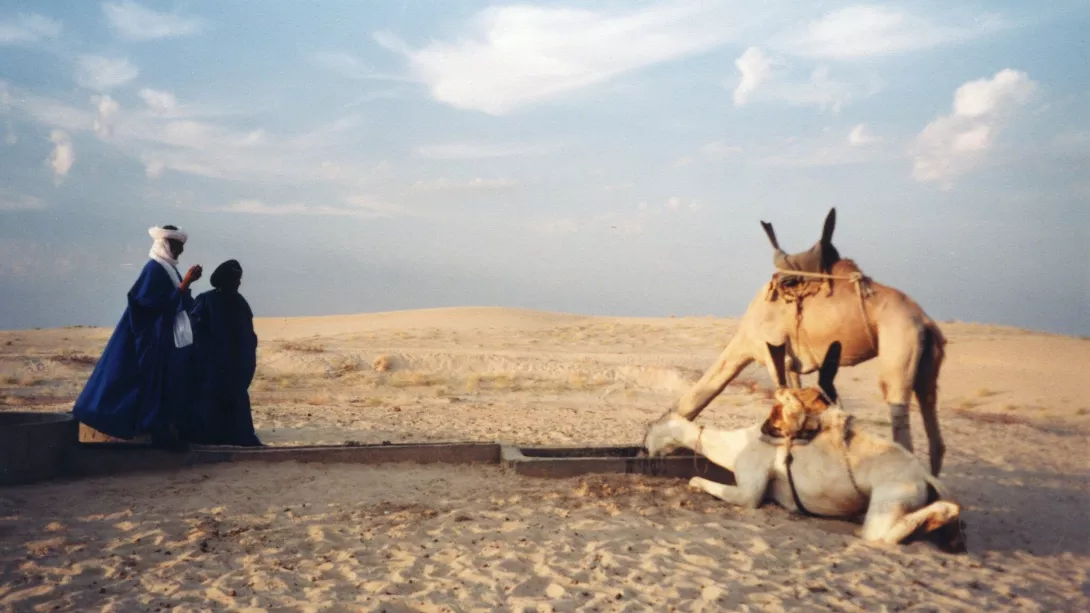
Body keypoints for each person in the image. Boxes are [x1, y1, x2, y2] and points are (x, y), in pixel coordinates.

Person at [73, 225, 203, 447]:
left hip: (161, 338)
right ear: (165, 244)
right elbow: (147, 305)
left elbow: (174, 302)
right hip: (145, 339)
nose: (180, 252)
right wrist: (185, 284)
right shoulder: (154, 269)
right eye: (177, 247)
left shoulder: (168, 269)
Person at [183, 259, 262, 446]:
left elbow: (248, 337)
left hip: (227, 370)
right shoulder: (209, 301)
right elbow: (196, 333)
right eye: (235, 279)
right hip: (215, 370)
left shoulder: (238, 303)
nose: (239, 283)